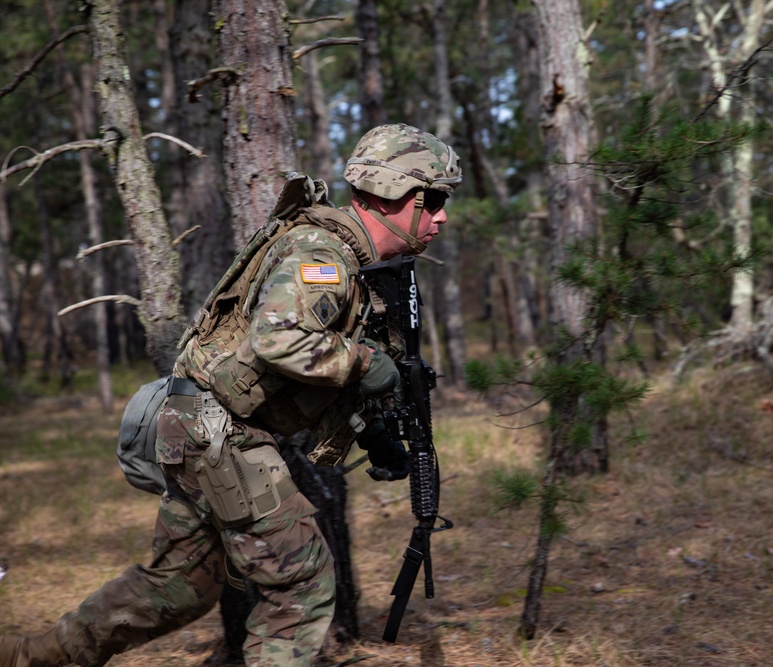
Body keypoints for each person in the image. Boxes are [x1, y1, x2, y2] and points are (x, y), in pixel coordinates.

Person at [0, 123, 461, 667]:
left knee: (178, 587)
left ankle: (26, 658)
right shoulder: (325, 257)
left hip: (201, 423)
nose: (441, 216)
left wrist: (376, 432)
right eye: (430, 200)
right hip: (221, 432)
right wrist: (364, 362)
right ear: (390, 195)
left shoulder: (351, 261)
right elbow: (279, 339)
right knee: (301, 583)